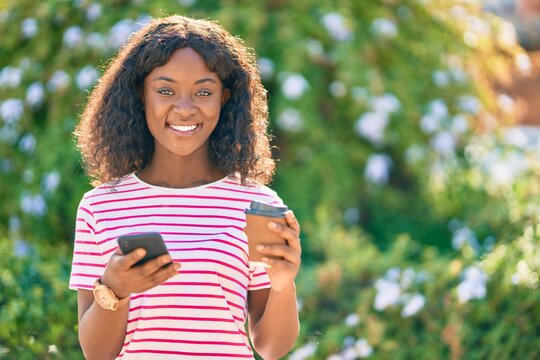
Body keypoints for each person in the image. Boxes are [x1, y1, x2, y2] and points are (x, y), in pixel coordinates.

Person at [69, 15, 301, 360]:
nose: (185, 109)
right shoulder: (100, 207)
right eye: (165, 90)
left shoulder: (256, 203)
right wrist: (114, 289)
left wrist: (283, 285)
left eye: (203, 92)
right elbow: (97, 354)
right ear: (140, 94)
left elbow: (270, 348)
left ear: (224, 98)